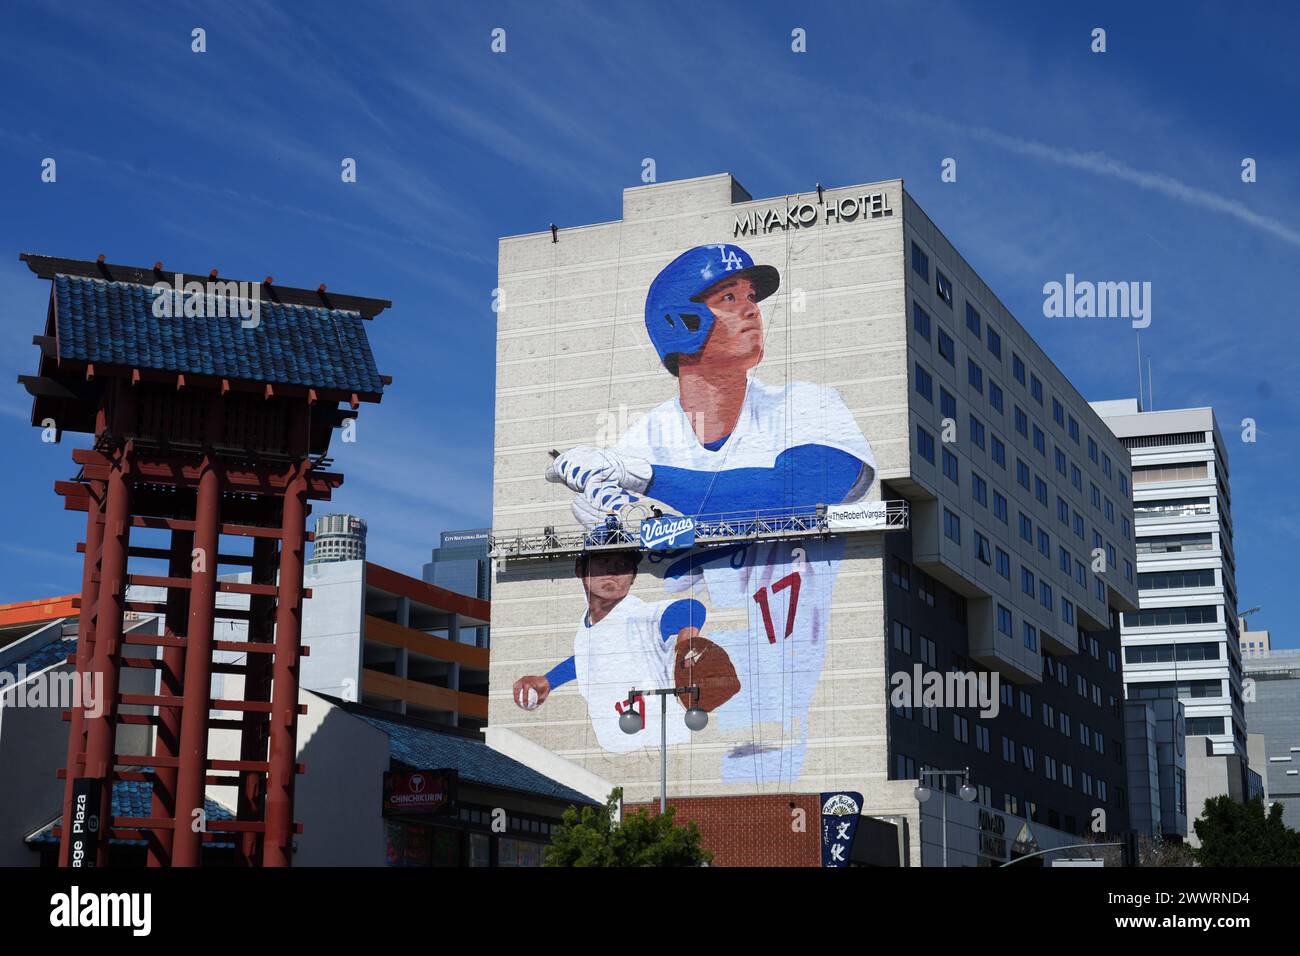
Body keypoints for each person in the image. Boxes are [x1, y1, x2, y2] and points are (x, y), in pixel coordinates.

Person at [543, 243, 877, 783]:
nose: (751, 309)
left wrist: (646, 480)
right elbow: (610, 565)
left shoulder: (808, 405)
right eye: (729, 297)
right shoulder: (642, 439)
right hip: (679, 732)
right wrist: (605, 506)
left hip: (805, 723)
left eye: (752, 297)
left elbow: (798, 488)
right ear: (682, 321)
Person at [511, 551, 738, 754]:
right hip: (615, 749)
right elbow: (589, 659)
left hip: (660, 747)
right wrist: (549, 680)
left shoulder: (638, 615)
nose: (613, 571)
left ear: (633, 577)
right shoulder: (586, 625)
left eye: (622, 565)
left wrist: (685, 646)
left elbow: (690, 608)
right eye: (604, 561)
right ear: (580, 568)